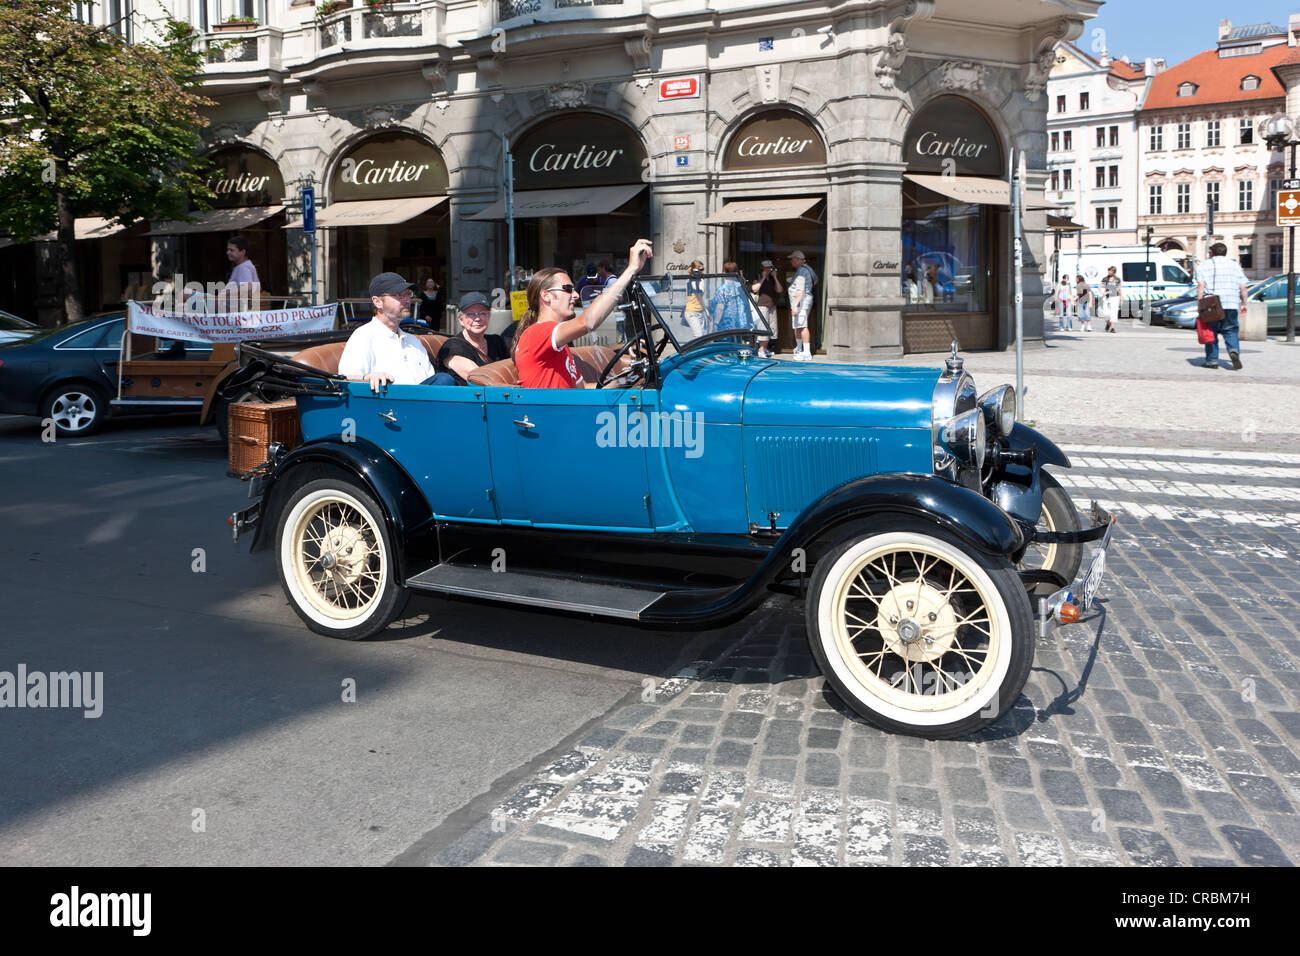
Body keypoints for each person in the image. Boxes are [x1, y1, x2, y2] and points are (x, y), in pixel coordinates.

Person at [513, 239, 653, 389]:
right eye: (567, 289)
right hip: (549, 412)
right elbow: (587, 322)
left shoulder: (560, 345)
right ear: (546, 295)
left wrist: (627, 378)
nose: (576, 295)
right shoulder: (537, 333)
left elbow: (583, 388)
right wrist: (631, 269)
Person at [338, 272, 456, 391]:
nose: (407, 300)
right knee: (444, 380)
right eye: (399, 295)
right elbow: (345, 379)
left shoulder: (413, 340)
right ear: (378, 302)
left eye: (408, 294)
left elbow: (432, 382)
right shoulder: (363, 336)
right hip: (386, 404)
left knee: (446, 381)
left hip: (422, 402)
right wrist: (368, 378)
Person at [1196, 242, 1249, 370]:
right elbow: (1243, 287)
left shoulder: (1204, 265)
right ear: (1225, 253)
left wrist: (1200, 304)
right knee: (1230, 330)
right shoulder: (1234, 265)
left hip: (1212, 304)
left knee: (1211, 331)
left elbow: (1201, 286)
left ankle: (1212, 361)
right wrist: (1244, 303)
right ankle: (1233, 350)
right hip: (1231, 302)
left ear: (1212, 252)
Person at [437, 292, 509, 384]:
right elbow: (479, 378)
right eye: (471, 314)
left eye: (482, 313)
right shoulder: (453, 346)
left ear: (489, 317)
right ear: (461, 320)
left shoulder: (497, 341)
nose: (477, 318)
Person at [789, 251, 817, 361]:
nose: (791, 261)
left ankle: (806, 352)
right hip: (805, 300)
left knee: (802, 325)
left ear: (798, 259)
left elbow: (799, 291)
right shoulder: (808, 269)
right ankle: (800, 349)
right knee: (798, 326)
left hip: (802, 302)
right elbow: (815, 281)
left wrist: (795, 306)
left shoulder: (801, 271)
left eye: (792, 259)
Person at [752, 259, 782, 358]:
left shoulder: (772, 278)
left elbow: (779, 290)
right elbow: (754, 289)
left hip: (772, 305)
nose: (769, 269)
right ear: (762, 268)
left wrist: (775, 277)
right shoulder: (758, 276)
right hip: (762, 305)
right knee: (763, 328)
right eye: (767, 268)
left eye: (770, 268)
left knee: (772, 328)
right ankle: (761, 350)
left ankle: (765, 349)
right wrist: (763, 278)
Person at [708, 262, 748, 331]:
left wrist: (715, 324)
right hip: (739, 325)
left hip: (725, 326)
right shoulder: (741, 288)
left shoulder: (723, 289)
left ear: (724, 272)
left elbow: (720, 308)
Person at [224, 235, 259, 311]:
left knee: (194, 296)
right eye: (227, 249)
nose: (228, 252)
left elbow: (247, 287)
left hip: (232, 312)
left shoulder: (243, 268)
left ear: (242, 252)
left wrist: (224, 295)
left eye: (231, 250)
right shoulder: (242, 266)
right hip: (228, 310)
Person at [684, 259, 706, 337]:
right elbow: (699, 292)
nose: (702, 272)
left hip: (700, 311)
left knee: (702, 336)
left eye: (702, 269)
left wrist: (706, 310)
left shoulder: (700, 280)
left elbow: (700, 298)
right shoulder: (690, 280)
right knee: (699, 336)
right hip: (692, 312)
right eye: (700, 270)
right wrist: (697, 277)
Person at [1101, 265, 1122, 332]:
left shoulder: (1117, 279)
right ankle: (1108, 324)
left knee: (1114, 312)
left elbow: (1119, 289)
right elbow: (1099, 286)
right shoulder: (1105, 279)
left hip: (1115, 297)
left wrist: (1121, 298)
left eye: (1111, 271)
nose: (1110, 272)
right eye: (1109, 270)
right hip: (1107, 297)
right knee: (1105, 313)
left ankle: (1112, 328)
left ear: (1114, 272)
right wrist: (1102, 292)